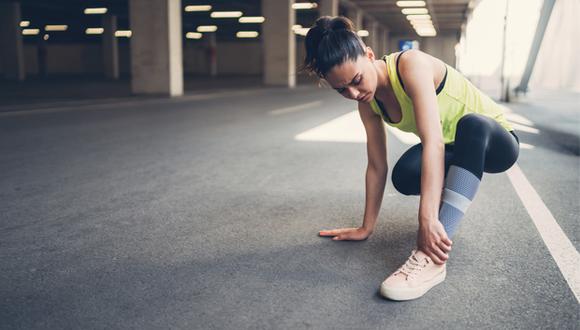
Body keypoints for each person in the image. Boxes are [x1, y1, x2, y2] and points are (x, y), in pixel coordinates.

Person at [302, 16, 520, 301]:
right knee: (404, 175)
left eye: (356, 80)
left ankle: (433, 256)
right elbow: (377, 165)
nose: (354, 93)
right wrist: (366, 227)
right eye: (342, 90)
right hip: (454, 146)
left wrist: (426, 220)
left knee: (471, 124)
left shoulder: (411, 66)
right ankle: (448, 202)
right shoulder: (368, 101)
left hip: (495, 141)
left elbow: (433, 144)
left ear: (369, 54)